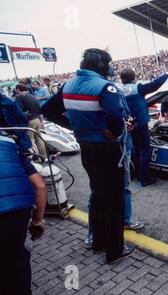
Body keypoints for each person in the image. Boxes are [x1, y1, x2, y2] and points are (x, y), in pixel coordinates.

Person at [45, 48, 135, 264]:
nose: (112, 67)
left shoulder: (68, 85)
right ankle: (114, 251)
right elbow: (115, 115)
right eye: (109, 63)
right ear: (101, 66)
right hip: (106, 147)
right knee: (114, 199)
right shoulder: (106, 86)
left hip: (86, 147)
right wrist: (113, 132)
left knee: (98, 195)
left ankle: (98, 242)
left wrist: (74, 127)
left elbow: (48, 110)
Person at [0, 101, 46, 295]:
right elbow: (40, 186)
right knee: (17, 255)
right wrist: (38, 221)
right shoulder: (9, 143)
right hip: (18, 210)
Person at [120, 67, 168, 186]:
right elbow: (154, 85)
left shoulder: (119, 90)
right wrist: (166, 75)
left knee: (136, 150)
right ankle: (145, 178)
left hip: (128, 124)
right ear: (133, 78)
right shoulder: (137, 88)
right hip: (141, 124)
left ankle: (138, 175)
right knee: (144, 151)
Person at [15, 84, 47, 160]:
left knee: (30, 141)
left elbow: (19, 110)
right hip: (37, 119)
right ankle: (44, 157)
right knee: (39, 139)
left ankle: (37, 159)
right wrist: (42, 121)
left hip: (29, 121)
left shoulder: (19, 96)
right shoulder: (33, 96)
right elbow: (40, 110)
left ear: (18, 89)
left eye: (16, 90)